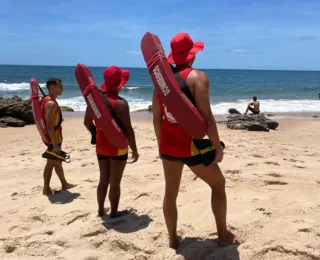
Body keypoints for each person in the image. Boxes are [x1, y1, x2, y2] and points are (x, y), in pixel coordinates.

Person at [152, 32, 241, 249]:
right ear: (192, 55)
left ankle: (173, 239)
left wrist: (161, 144)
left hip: (168, 144)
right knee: (218, 184)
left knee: (170, 193)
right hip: (192, 146)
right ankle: (222, 236)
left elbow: (156, 118)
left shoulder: (161, 84)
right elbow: (207, 117)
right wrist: (216, 147)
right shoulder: (198, 77)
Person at [84, 66, 139, 218]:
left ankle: (101, 211)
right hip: (119, 147)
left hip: (101, 146)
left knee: (103, 180)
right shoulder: (121, 104)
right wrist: (134, 149)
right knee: (115, 183)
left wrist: (96, 133)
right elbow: (128, 129)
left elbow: (87, 122)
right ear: (120, 84)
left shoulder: (94, 102)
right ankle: (114, 213)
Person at [42, 78, 76, 195]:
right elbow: (49, 125)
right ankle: (46, 189)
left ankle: (64, 183)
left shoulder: (49, 100)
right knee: (50, 163)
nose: (62, 89)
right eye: (60, 86)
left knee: (58, 161)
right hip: (54, 139)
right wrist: (54, 143)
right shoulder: (50, 104)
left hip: (55, 138)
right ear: (52, 88)